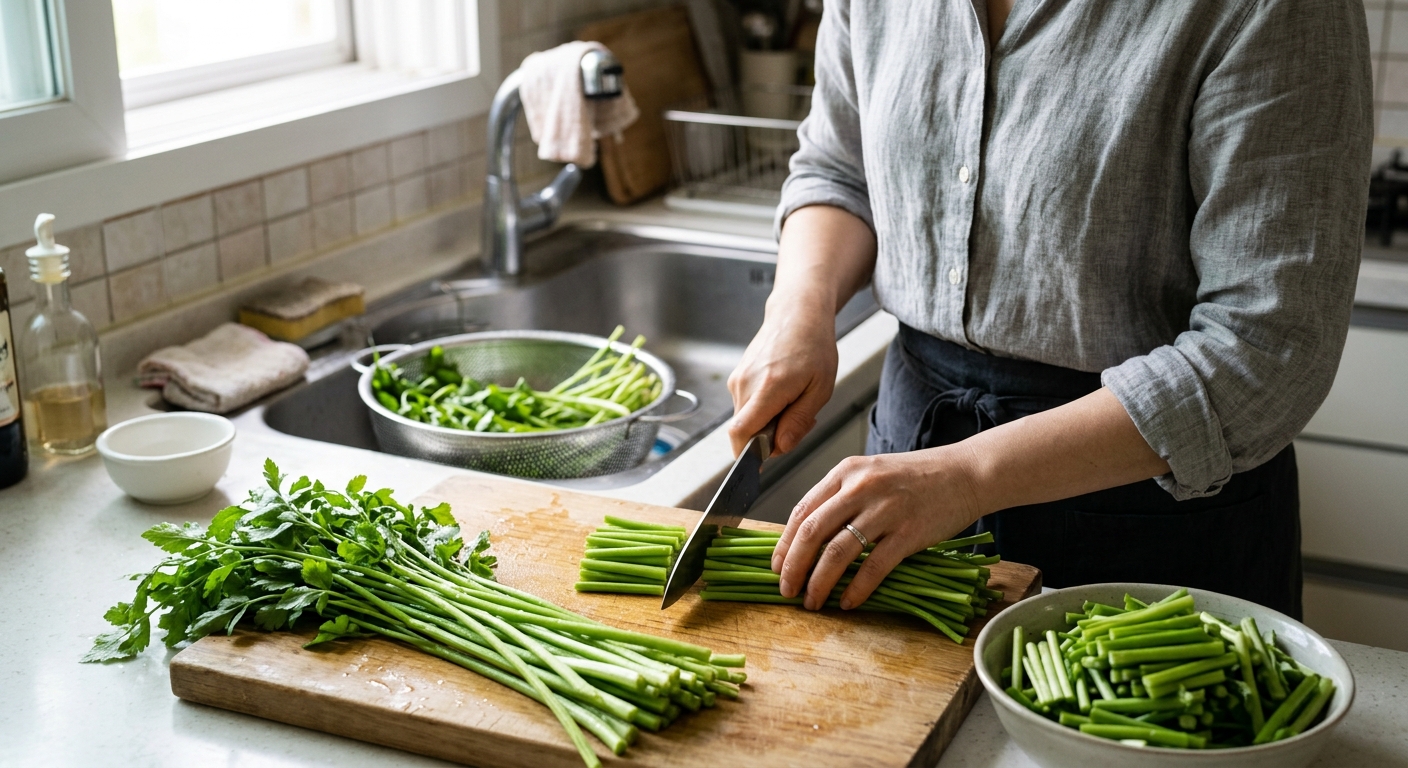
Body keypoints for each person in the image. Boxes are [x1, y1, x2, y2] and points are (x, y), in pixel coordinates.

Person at [727, 0, 1373, 620]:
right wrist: (799, 309)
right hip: (909, 453)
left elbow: (1267, 348)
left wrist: (966, 477)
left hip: (1144, 501)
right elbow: (840, 168)